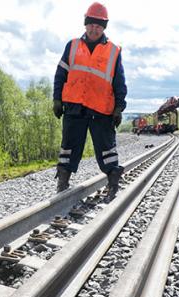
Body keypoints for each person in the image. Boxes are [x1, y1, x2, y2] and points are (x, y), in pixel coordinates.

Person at [52, 2, 127, 195]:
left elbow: (119, 82)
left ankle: (113, 182)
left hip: (101, 109)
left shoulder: (113, 51)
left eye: (99, 25)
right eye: (92, 24)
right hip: (74, 106)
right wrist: (57, 99)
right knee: (69, 146)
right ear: (86, 24)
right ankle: (62, 182)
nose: (95, 29)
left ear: (104, 27)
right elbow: (60, 74)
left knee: (107, 149)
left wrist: (119, 107)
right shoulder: (73, 45)